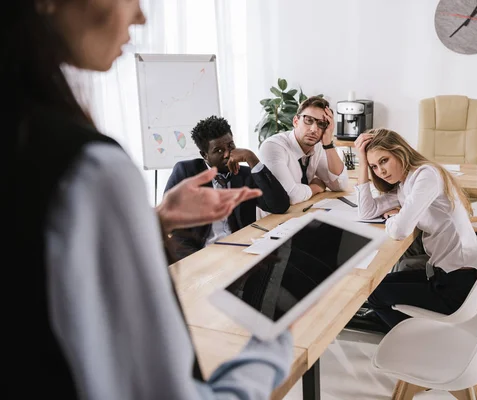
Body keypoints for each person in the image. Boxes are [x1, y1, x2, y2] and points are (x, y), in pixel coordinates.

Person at [7, 1, 293, 399]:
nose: (141, 17)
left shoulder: (32, 143)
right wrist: (271, 349)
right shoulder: (91, 168)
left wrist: (155, 220)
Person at [351, 129, 477, 332]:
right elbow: (366, 212)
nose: (380, 171)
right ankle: (408, 334)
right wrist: (362, 163)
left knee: (375, 293)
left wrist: (393, 217)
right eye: (374, 166)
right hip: (444, 274)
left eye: (384, 160)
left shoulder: (426, 175)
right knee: (374, 286)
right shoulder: (404, 185)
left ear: (399, 152)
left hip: (460, 284)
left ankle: (413, 339)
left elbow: (399, 231)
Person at [164, 115, 289, 261]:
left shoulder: (245, 174)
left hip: (240, 250)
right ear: (204, 155)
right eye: (218, 150)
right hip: (199, 253)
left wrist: (252, 159)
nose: (227, 154)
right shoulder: (187, 172)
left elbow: (280, 206)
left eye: (230, 146)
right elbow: (169, 220)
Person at [259, 96, 349, 205]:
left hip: (299, 213)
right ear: (296, 121)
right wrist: (315, 187)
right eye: (308, 120)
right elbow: (290, 196)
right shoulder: (273, 147)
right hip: (271, 220)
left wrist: (328, 144)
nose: (314, 129)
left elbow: (340, 185)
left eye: (321, 124)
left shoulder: (317, 147)